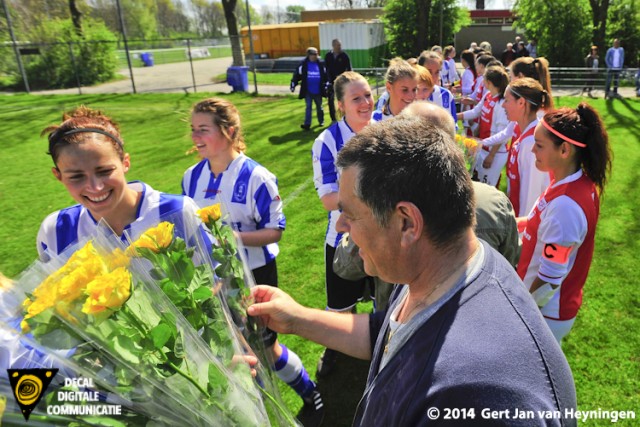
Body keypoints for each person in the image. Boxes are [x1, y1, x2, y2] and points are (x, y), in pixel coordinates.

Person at [248, 116, 577, 426]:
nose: (343, 227)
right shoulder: (442, 268)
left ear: (406, 223)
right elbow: (390, 334)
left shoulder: (474, 395)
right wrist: (295, 318)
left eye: (349, 214)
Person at [181, 98, 324, 425]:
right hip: (212, 277)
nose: (195, 137)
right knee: (233, 349)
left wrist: (231, 238)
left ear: (228, 131)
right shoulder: (190, 177)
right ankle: (258, 413)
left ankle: (309, 391)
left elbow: (274, 232)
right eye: (193, 130)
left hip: (255, 273)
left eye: (203, 129)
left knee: (266, 347)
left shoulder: (257, 176)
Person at [37, 106, 202, 260]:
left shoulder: (177, 211)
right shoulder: (55, 231)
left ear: (126, 162)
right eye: (76, 177)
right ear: (58, 176)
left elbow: (221, 280)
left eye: (104, 171)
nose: (95, 187)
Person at [518, 103, 612, 343]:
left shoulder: (565, 207)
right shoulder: (569, 182)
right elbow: (541, 224)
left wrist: (521, 308)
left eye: (539, 146)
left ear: (564, 150)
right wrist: (511, 223)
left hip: (544, 314)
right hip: (544, 310)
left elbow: (549, 279)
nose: (532, 151)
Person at [311, 71, 375, 376]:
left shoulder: (387, 130)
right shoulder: (326, 141)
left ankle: (383, 354)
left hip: (382, 237)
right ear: (341, 105)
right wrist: (370, 209)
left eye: (367, 95)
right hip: (343, 241)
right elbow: (327, 198)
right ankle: (335, 349)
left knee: (384, 303)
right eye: (356, 98)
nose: (365, 102)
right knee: (341, 307)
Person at [503, 78, 552, 218]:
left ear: (521, 102)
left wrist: (520, 236)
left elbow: (531, 198)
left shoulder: (531, 143)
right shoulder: (525, 135)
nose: (502, 105)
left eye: (506, 100)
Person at [458, 65, 511, 186]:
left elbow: (502, 133)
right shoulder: (487, 96)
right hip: (483, 147)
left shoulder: (501, 103)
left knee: (489, 186)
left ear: (488, 82)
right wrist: (454, 115)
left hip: (495, 153)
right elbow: (475, 112)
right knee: (480, 182)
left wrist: (491, 156)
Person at [291, 47, 328, 130]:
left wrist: (326, 84)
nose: (316, 56)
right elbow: (297, 75)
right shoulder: (303, 65)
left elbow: (326, 76)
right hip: (308, 90)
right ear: (309, 55)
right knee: (308, 107)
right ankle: (307, 124)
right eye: (314, 54)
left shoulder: (321, 64)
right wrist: (293, 84)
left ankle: (321, 121)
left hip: (318, 90)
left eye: (317, 54)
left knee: (319, 107)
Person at [418, 51, 458, 127]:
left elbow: (453, 124)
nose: (433, 77)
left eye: (437, 72)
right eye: (429, 71)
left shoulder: (446, 95)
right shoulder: (411, 94)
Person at [324, 38, 352, 123]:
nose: (339, 47)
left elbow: (349, 69)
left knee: (343, 99)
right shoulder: (328, 56)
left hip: (342, 82)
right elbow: (326, 68)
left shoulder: (344, 56)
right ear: (333, 46)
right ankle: (333, 119)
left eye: (340, 45)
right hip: (331, 82)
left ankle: (345, 117)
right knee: (331, 100)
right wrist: (327, 80)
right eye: (337, 45)